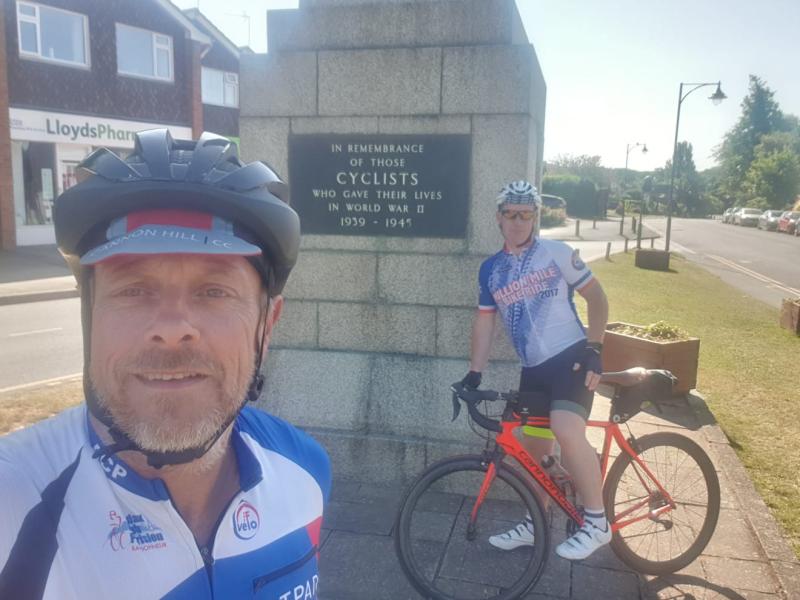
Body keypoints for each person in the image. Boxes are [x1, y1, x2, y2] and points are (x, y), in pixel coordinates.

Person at [0, 130, 330, 599]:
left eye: (214, 291)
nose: (174, 327)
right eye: (133, 289)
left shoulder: (306, 471)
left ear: (267, 323)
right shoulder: (15, 503)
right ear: (88, 315)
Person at [461, 180, 611, 560]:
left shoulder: (556, 252)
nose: (518, 222)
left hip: (572, 357)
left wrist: (595, 348)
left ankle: (597, 522)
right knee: (532, 448)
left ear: (535, 217)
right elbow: (485, 322)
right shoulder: (491, 270)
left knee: (565, 426)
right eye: (511, 214)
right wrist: (474, 373)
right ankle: (536, 521)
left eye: (526, 215)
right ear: (499, 217)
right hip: (534, 369)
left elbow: (596, 296)